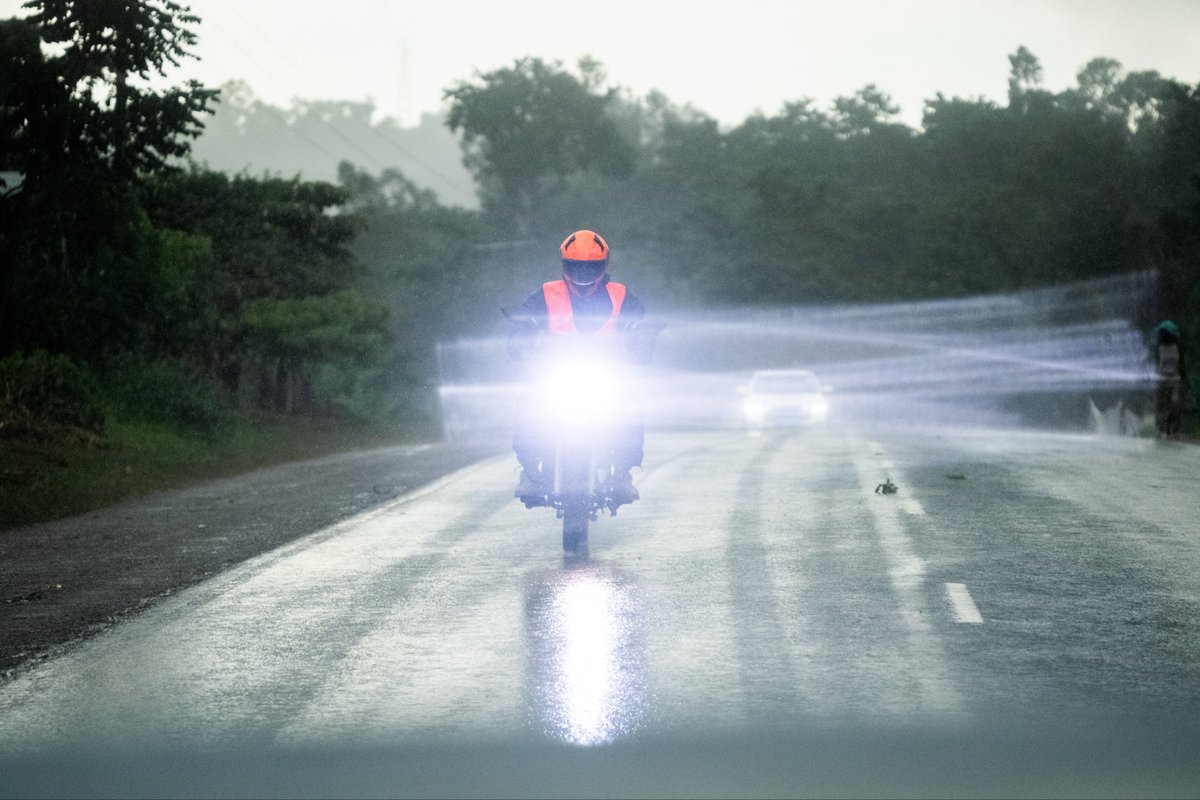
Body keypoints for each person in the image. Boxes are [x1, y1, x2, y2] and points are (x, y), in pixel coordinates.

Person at [506, 229, 650, 505]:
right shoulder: (547, 293)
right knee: (528, 401)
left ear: (603, 267)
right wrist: (521, 338)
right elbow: (524, 319)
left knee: (631, 402)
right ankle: (531, 471)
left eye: (590, 268)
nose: (583, 275)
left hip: (608, 374)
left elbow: (638, 323)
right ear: (565, 266)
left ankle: (622, 472)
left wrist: (640, 342)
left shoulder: (620, 295)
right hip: (554, 373)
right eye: (576, 267)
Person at [1152, 320, 1187, 440]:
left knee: (1175, 404)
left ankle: (1174, 429)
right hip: (1161, 379)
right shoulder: (1159, 347)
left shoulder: (1178, 347)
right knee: (1162, 405)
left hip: (1175, 379)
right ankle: (1162, 429)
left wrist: (1184, 377)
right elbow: (1155, 363)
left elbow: (1181, 363)